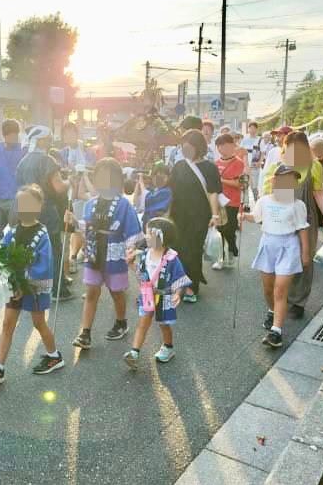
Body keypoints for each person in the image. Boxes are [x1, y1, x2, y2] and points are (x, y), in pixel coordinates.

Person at [0, 185, 65, 386]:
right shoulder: (13, 231)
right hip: (14, 285)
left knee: (38, 323)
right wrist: (3, 272)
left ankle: (54, 355)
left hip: (32, 287)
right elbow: (4, 256)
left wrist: (22, 283)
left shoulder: (42, 234)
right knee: (7, 324)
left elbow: (44, 266)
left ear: (38, 206)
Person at [262, 131, 323, 319]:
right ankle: (282, 297)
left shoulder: (314, 166)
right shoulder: (276, 168)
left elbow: (318, 193)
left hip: (306, 217)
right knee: (282, 257)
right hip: (281, 218)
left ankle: (298, 301)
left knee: (305, 258)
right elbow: (266, 196)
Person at [72, 158, 144, 349]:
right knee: (91, 291)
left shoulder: (124, 205)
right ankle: (85, 332)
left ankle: (121, 322)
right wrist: (72, 221)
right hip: (95, 251)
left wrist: (131, 251)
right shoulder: (91, 203)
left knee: (116, 292)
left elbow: (132, 231)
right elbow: (86, 227)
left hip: (114, 252)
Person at [240, 165, 310, 348]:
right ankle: (272, 310)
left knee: (280, 290)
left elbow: (302, 229)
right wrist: (242, 216)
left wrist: (305, 253)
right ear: (275, 181)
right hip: (268, 245)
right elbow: (255, 217)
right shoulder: (264, 201)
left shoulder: (297, 205)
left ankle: (276, 332)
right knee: (268, 289)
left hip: (289, 246)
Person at [15, 125, 74, 301]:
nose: (50, 141)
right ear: (41, 140)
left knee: (30, 249)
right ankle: (58, 290)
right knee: (53, 250)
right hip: (46, 211)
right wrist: (70, 180)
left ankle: (26, 287)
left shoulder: (22, 162)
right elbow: (59, 187)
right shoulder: (48, 161)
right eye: (48, 138)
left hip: (25, 211)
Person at [123, 217, 191, 369]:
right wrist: (131, 264)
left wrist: (178, 294)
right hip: (147, 294)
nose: (146, 237)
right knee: (143, 323)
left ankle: (168, 347)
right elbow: (142, 275)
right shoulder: (145, 254)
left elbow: (180, 278)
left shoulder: (172, 258)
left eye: (149, 234)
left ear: (161, 238)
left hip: (164, 296)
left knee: (163, 324)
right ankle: (134, 352)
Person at [168, 129, 222, 302]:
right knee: (176, 250)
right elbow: (169, 191)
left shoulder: (209, 167)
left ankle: (192, 286)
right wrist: (165, 214)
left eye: (189, 146)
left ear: (199, 147)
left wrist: (215, 215)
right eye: (183, 146)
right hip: (178, 215)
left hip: (199, 216)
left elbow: (213, 192)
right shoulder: (179, 166)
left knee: (193, 250)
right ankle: (178, 283)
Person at [59, 122, 95, 276]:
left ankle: (74, 256)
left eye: (71, 133)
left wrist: (84, 171)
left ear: (77, 134)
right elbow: (60, 171)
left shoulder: (87, 151)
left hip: (85, 192)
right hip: (69, 192)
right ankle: (74, 257)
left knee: (82, 225)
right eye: (66, 134)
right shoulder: (63, 153)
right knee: (73, 226)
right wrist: (69, 170)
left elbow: (94, 168)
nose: (69, 137)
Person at [214, 134, 245, 270]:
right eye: (220, 146)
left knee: (229, 229)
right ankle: (221, 258)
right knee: (219, 230)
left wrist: (221, 180)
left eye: (227, 145)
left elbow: (240, 184)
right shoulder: (216, 163)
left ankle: (231, 250)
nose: (223, 148)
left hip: (232, 202)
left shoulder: (239, 163)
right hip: (218, 202)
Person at [134, 162, 172, 230]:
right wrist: (138, 183)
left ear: (168, 177)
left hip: (158, 229)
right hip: (148, 227)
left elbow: (148, 200)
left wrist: (141, 183)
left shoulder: (167, 192)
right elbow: (137, 203)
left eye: (163, 176)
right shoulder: (154, 190)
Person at [241, 122, 263, 200]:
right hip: (245, 165)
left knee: (254, 186)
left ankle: (256, 201)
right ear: (248, 129)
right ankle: (246, 204)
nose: (252, 130)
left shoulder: (260, 139)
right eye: (251, 128)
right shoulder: (244, 139)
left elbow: (262, 152)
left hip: (254, 165)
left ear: (256, 129)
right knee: (245, 185)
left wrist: (259, 162)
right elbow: (241, 151)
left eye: (254, 128)